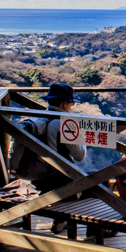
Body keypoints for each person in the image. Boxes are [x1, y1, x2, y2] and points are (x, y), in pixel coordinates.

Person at [13, 82, 85, 234]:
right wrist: (82, 136)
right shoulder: (64, 124)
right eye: (71, 103)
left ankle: (62, 219)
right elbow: (80, 156)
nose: (70, 107)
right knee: (99, 182)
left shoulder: (38, 120)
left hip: (38, 180)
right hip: (60, 181)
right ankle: (71, 221)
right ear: (64, 103)